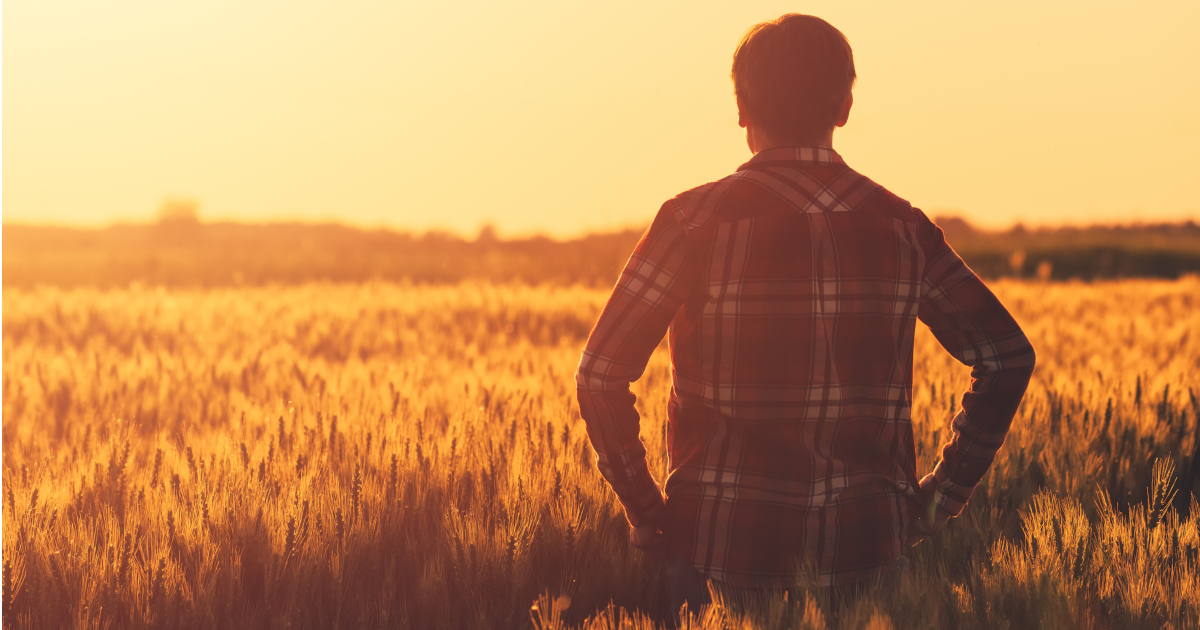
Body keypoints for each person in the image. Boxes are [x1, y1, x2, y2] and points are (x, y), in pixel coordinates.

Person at [574, 13, 1036, 617]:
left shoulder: (691, 224)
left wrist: (647, 512)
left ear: (740, 108)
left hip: (717, 550)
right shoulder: (902, 228)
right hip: (868, 552)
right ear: (845, 106)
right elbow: (1006, 357)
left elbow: (600, 373)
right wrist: (938, 502)